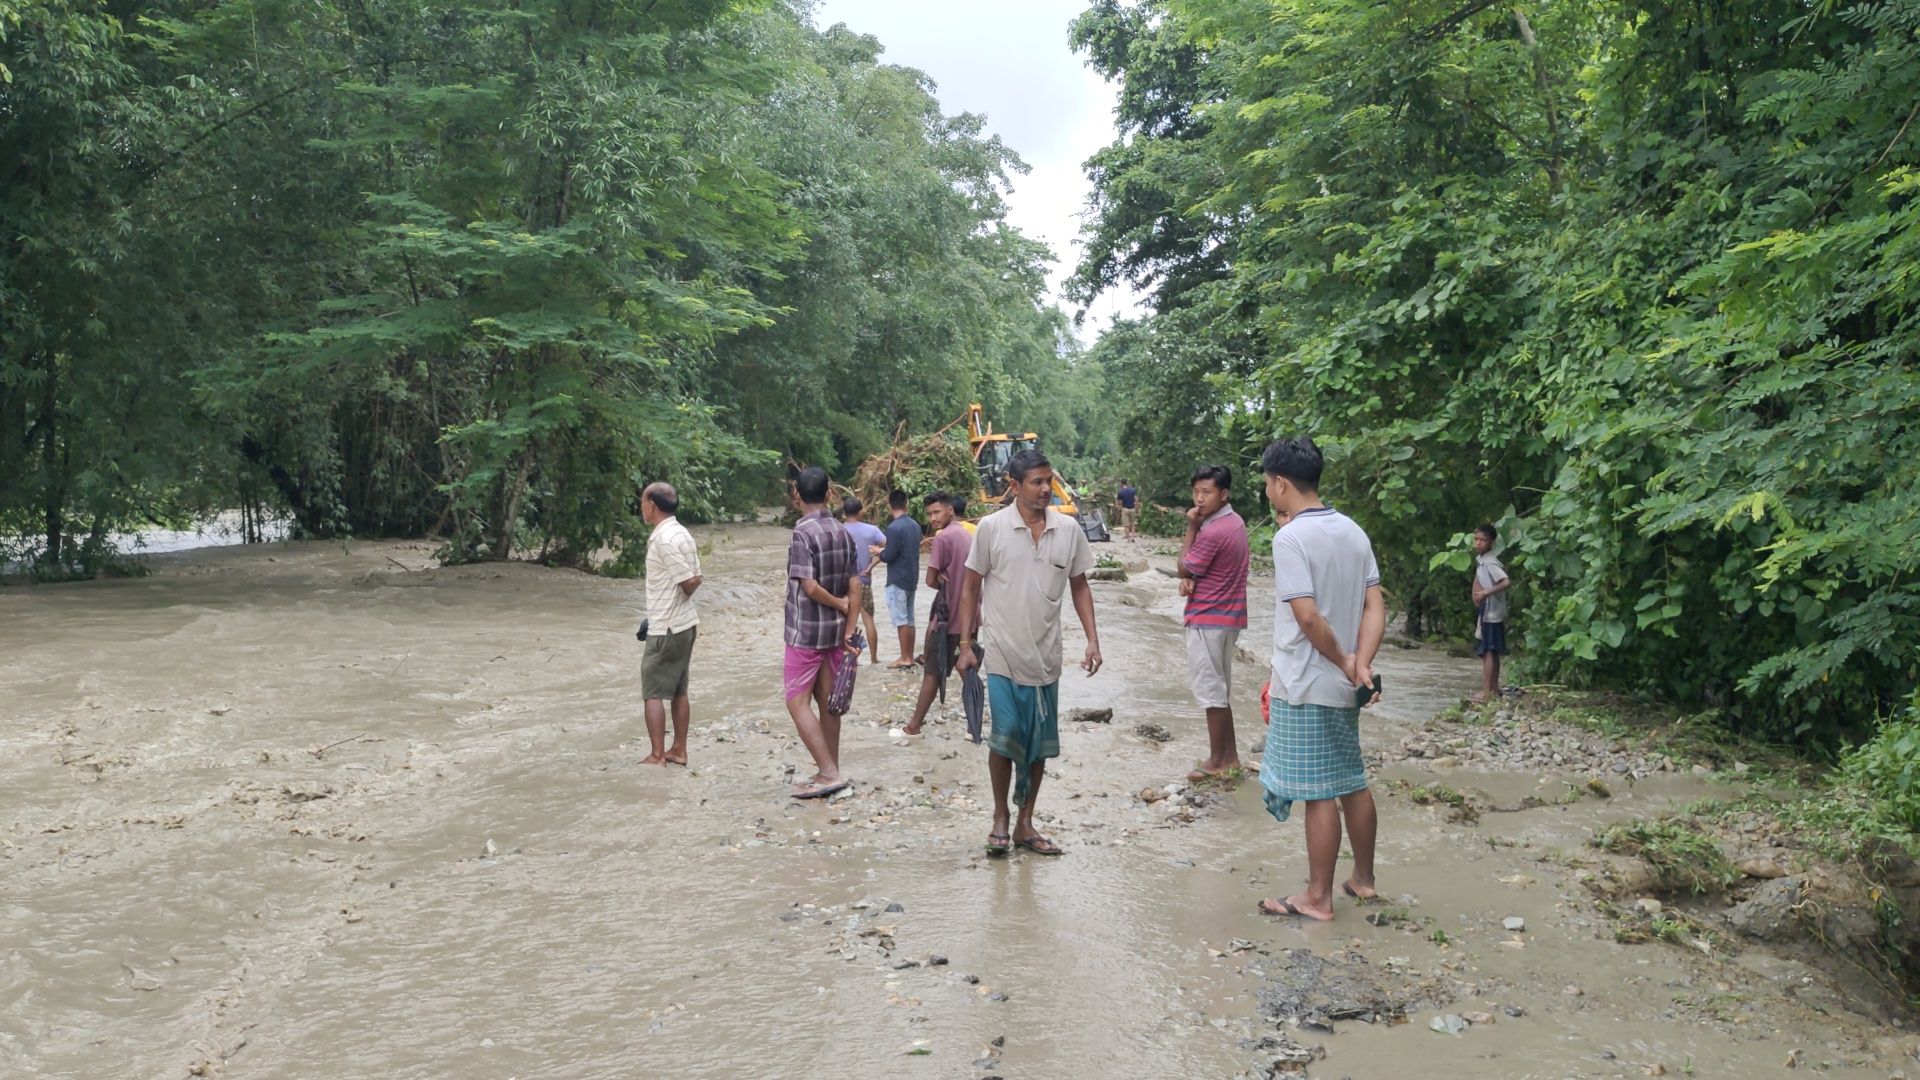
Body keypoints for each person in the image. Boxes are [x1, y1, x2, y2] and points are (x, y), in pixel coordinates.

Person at [1255, 437, 1386, 922]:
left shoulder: (1289, 538)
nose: (1268, 491)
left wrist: (1345, 662)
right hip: (1343, 679)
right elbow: (1375, 605)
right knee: (1351, 779)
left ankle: (1318, 897)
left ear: (1281, 483)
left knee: (1317, 790)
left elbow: (1307, 619)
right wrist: (1360, 664)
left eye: (1268, 483)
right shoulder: (1352, 531)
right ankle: (1364, 880)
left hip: (1307, 680)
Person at [953, 449, 1100, 857]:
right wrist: (966, 645)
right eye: (1036, 482)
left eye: (1048, 480)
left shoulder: (1068, 530)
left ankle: (1024, 823)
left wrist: (1092, 639)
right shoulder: (991, 528)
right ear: (1013, 486)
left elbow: (1080, 585)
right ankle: (1000, 817)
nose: (1045, 489)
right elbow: (969, 587)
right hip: (1001, 653)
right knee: (1005, 738)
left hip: (1046, 657)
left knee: (1038, 745)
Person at [784, 466, 862, 799]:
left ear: (796, 496)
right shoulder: (844, 532)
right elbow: (855, 584)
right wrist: (848, 623)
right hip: (834, 634)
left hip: (805, 633)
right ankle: (831, 768)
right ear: (830, 494)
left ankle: (828, 772)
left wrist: (841, 606)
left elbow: (811, 588)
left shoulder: (802, 534)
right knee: (828, 703)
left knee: (796, 702)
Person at [1177, 464, 1250, 780]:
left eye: (1206, 492)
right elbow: (1199, 573)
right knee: (1219, 690)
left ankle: (1217, 760)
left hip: (1209, 617)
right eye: (1195, 492)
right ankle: (1228, 757)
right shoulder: (1235, 522)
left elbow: (1184, 567)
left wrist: (1192, 527)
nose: (1199, 499)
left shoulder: (1214, 530)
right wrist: (1192, 579)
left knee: (1211, 692)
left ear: (1224, 493)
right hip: (1227, 616)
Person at [905, 492, 979, 735]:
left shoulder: (943, 538)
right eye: (929, 514)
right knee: (965, 666)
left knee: (933, 672)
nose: (933, 518)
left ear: (950, 511)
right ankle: (973, 725)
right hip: (970, 622)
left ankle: (914, 726)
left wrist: (938, 578)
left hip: (948, 623)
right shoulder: (967, 534)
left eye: (936, 512)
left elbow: (929, 580)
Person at [639, 482, 702, 766]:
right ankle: (678, 749)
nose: (641, 507)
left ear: (652, 504)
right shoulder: (682, 533)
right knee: (679, 689)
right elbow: (697, 577)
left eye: (642, 501)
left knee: (652, 692)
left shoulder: (663, 539)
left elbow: (689, 581)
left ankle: (657, 755)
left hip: (666, 626)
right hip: (685, 623)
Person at [873, 488, 922, 669]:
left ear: (889, 506)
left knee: (901, 619)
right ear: (906, 505)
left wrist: (879, 552)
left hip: (897, 578)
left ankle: (904, 657)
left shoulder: (893, 528)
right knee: (910, 618)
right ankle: (909, 656)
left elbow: (890, 555)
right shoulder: (915, 525)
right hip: (912, 577)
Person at [842, 496, 886, 666]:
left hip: (844, 583)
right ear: (860, 512)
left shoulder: (840, 530)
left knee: (846, 623)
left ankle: (849, 658)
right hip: (864, 580)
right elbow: (889, 547)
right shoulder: (872, 530)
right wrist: (872, 565)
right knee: (869, 621)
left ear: (845, 513)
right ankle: (874, 658)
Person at [1471, 523, 1511, 700]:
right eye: (1476, 539)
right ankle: (1493, 689)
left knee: (1488, 651)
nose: (1478, 543)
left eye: (1483, 540)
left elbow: (1505, 581)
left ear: (1492, 542)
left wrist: (1486, 592)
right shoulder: (1482, 561)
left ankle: (1487, 691)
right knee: (1491, 651)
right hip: (1489, 613)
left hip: (1491, 613)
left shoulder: (1489, 562)